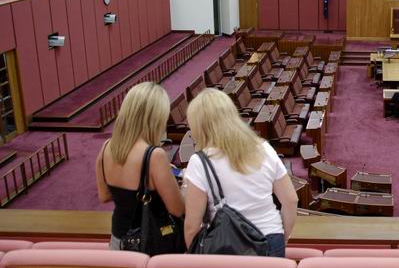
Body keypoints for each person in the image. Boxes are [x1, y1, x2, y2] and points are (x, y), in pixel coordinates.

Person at [183, 88, 298, 256]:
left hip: (226, 244)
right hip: (270, 237)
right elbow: (291, 200)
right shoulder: (263, 148)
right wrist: (283, 237)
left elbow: (192, 226)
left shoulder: (200, 162)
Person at [95, 82, 185, 250]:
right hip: (149, 242)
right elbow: (177, 209)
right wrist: (185, 186)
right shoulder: (154, 156)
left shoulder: (107, 147)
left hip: (117, 240)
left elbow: (104, 195)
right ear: (155, 118)